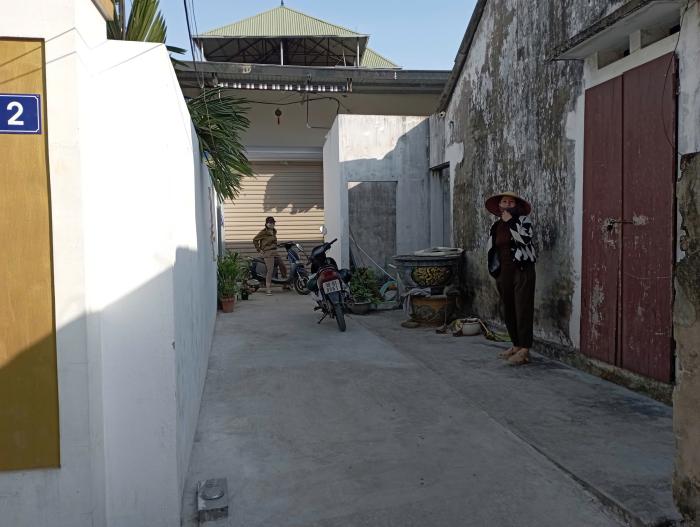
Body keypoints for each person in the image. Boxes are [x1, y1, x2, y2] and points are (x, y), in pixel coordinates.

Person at [485, 192, 537, 365]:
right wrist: (494, 270)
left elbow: (524, 240)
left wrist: (510, 222)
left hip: (522, 270)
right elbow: (492, 249)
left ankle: (525, 350)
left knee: (523, 308)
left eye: (511, 202)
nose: (507, 204)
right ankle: (516, 345)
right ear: (499, 206)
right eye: (504, 201)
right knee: (508, 309)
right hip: (504, 272)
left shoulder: (523, 221)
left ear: (516, 206)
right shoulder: (496, 225)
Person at [253, 216, 288, 296]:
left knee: (283, 266)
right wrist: (259, 249)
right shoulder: (263, 232)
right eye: (269, 223)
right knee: (270, 269)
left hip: (274, 252)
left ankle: (285, 284)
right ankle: (268, 288)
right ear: (266, 224)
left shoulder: (274, 231)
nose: (271, 224)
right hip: (267, 253)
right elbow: (255, 240)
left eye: (272, 223)